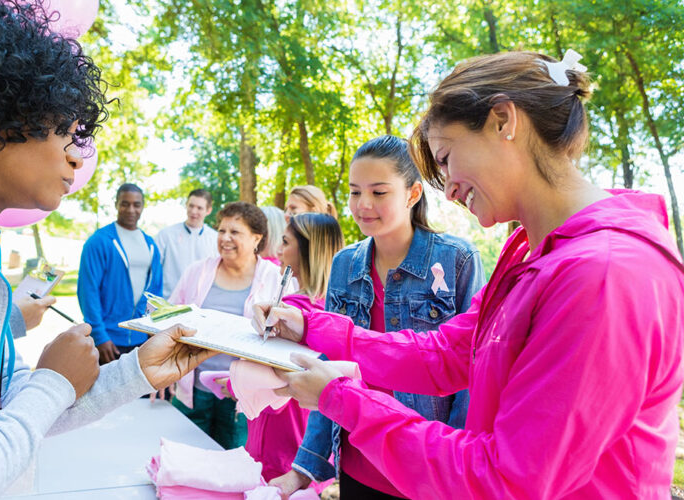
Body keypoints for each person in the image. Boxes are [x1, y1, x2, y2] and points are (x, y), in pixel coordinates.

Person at [254, 51, 684, 499]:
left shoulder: (602, 275)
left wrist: (344, 398)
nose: (450, 187)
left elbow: (508, 479)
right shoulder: (533, 254)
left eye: (446, 157)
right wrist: (312, 326)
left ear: (503, 121)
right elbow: (448, 353)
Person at [0, 2, 214, 499]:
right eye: (63, 129)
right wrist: (52, 382)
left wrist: (138, 371)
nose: (77, 154)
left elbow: (2, 412)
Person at [270, 135, 484, 499]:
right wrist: (303, 469)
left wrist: (455, 475)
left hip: (428, 472)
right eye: (355, 192)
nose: (363, 204)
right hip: (358, 466)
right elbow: (329, 370)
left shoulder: (457, 259)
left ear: (413, 194)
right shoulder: (344, 265)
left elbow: (470, 376)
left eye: (379, 192)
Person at [168, 201, 295, 449]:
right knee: (184, 458)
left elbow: (287, 340)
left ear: (257, 238)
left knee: (233, 465)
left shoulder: (275, 279)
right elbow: (171, 320)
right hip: (193, 390)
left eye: (235, 232)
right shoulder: (197, 271)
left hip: (242, 396)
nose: (225, 238)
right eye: (222, 231)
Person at [240, 212, 344, 484]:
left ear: (307, 248)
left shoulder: (299, 313)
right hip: (305, 432)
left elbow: (276, 374)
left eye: (285, 242)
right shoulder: (335, 309)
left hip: (282, 430)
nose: (278, 250)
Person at [78, 183, 163, 364]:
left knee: (139, 393)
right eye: (125, 204)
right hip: (108, 339)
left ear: (142, 206)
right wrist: (99, 336)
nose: (131, 210)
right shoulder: (99, 241)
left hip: (142, 339)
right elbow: (88, 291)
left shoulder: (150, 244)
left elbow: (156, 292)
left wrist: (153, 332)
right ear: (116, 204)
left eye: (136, 204)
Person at [155, 188, 218, 298]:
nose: (194, 211)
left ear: (208, 211)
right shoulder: (166, 234)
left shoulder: (215, 238)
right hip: (169, 301)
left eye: (199, 208)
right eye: (191, 206)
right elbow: (154, 268)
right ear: (186, 205)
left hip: (201, 303)